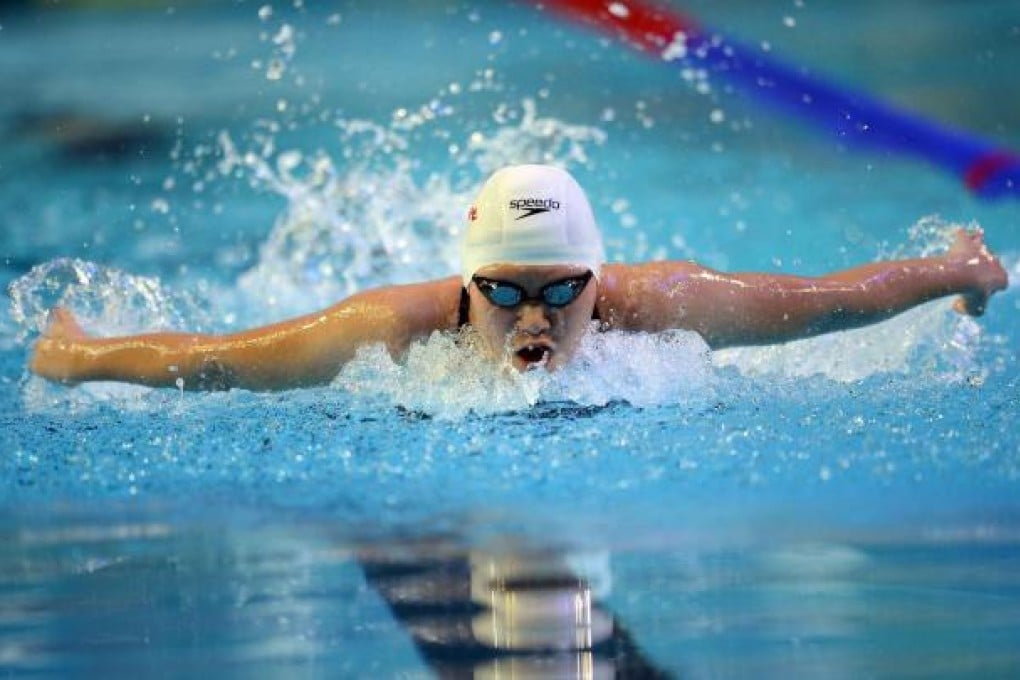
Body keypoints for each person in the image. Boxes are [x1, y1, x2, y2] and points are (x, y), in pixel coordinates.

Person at [29, 164, 1008, 391]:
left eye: (558, 290)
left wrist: (960, 268)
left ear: (597, 277)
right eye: (502, 289)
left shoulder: (660, 302)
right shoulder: (396, 326)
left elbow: (835, 296)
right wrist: (77, 354)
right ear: (466, 286)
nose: (532, 315)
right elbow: (216, 360)